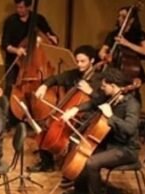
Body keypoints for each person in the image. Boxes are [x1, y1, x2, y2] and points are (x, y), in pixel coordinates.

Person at [59, 68, 140, 194]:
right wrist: (75, 109)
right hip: (109, 142)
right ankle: (81, 189)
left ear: (113, 86)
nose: (101, 89)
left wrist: (111, 117)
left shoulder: (132, 104)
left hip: (126, 149)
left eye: (104, 86)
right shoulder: (111, 97)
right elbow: (93, 103)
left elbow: (129, 129)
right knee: (80, 147)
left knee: (92, 162)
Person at [28, 45, 102, 173]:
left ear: (92, 61)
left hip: (87, 115)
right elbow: (56, 78)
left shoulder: (99, 79)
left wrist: (90, 91)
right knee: (44, 129)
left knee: (57, 132)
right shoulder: (75, 74)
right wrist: (44, 86)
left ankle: (72, 166)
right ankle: (47, 163)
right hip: (70, 112)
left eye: (83, 61)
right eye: (77, 61)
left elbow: (101, 100)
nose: (79, 65)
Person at [0, 0, 59, 98]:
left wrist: (51, 38)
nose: (19, 10)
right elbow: (4, 44)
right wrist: (16, 50)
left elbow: (52, 37)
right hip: (16, 62)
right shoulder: (10, 21)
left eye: (22, 7)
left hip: (36, 64)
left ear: (28, 7)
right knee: (10, 90)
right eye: (17, 7)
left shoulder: (38, 19)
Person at [99, 6, 145, 86]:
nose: (119, 19)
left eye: (123, 17)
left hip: (131, 71)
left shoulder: (139, 34)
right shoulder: (113, 34)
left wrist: (127, 43)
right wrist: (105, 56)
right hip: (113, 69)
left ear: (131, 20)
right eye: (119, 16)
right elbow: (102, 51)